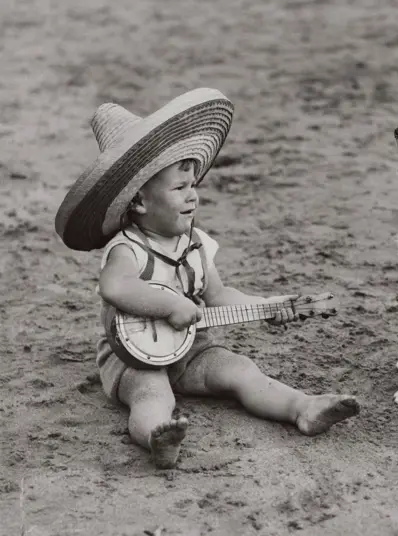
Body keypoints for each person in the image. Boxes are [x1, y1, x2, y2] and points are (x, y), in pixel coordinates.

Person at [55, 88, 360, 469]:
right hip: (131, 357)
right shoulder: (128, 248)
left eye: (193, 185)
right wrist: (170, 303)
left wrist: (271, 306)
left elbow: (218, 296)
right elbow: (115, 287)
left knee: (241, 371)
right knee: (151, 394)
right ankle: (158, 437)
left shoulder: (196, 244)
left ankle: (303, 407)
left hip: (191, 348)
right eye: (179, 188)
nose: (193, 197)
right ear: (139, 203)